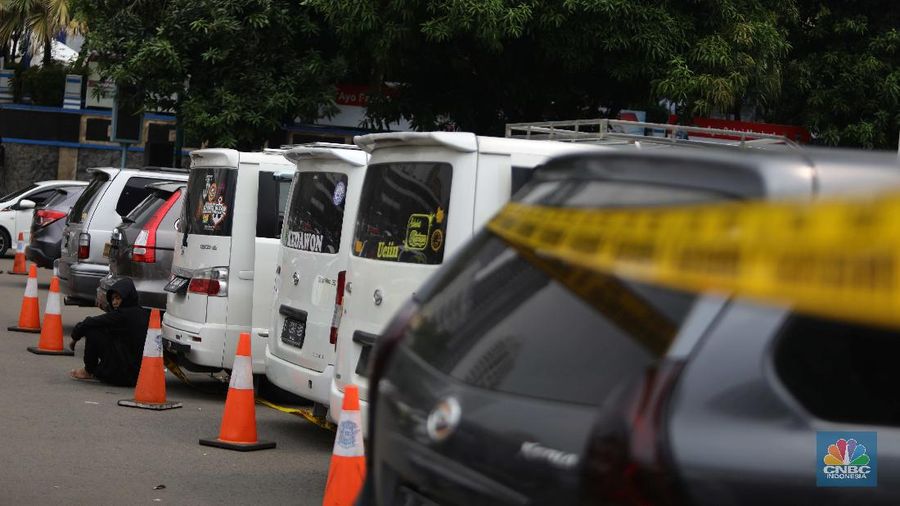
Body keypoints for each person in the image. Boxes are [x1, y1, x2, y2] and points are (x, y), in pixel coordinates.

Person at [68, 278, 149, 386]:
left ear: (126, 297)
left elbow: (88, 322)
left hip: (123, 375)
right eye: (113, 299)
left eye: (118, 298)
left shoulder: (122, 315)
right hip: (140, 376)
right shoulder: (143, 313)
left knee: (92, 330)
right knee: (103, 328)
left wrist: (74, 338)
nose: (114, 302)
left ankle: (88, 370)